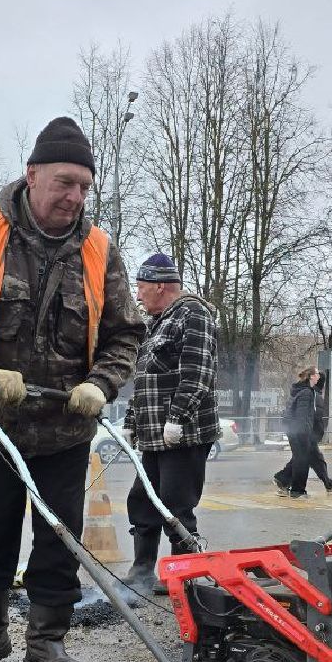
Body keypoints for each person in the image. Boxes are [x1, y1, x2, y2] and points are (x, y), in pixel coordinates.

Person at [0, 116, 145, 662]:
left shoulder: (99, 251)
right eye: (65, 182)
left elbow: (125, 333)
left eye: (85, 187)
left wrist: (102, 383)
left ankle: (47, 644)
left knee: (59, 540)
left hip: (66, 429)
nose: (74, 196)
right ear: (32, 174)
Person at [119, 253, 219, 596]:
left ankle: (183, 575)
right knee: (143, 500)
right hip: (153, 436)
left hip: (184, 434)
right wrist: (132, 421)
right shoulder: (156, 323)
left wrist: (177, 418)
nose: (139, 294)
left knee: (177, 504)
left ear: (161, 285)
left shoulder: (194, 314)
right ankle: (143, 568)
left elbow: (198, 373)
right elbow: (144, 379)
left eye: (142, 287)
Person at [274, 367, 332, 497]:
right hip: (301, 432)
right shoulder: (306, 393)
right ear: (311, 377)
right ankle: (297, 491)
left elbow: (321, 380)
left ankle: (283, 480)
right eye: (316, 374)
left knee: (313, 459)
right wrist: (304, 435)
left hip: (307, 432)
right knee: (301, 461)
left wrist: (317, 372)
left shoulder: (312, 391)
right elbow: (303, 417)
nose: (319, 376)